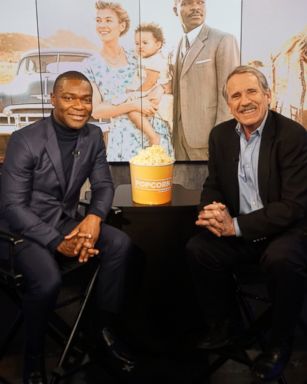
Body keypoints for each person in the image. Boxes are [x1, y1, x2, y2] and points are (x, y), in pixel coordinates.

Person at [0, 71, 136, 384]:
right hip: (22, 231)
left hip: (65, 222)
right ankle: (33, 361)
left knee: (120, 244)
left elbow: (103, 184)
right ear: (53, 100)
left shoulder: (92, 135)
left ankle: (101, 330)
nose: (79, 106)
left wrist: (93, 218)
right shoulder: (25, 139)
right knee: (47, 281)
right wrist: (57, 242)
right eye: (69, 98)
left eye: (85, 99)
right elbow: (13, 208)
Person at [186, 65, 307, 382]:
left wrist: (235, 226)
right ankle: (225, 324)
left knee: (283, 259)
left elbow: (293, 206)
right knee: (199, 249)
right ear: (229, 104)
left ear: (268, 95)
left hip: (284, 232)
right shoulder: (220, 136)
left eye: (252, 91)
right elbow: (213, 184)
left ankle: (279, 343)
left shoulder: (292, 136)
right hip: (239, 232)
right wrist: (211, 211)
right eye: (235, 95)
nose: (244, 101)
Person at [83, 1, 174, 161]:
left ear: (122, 26)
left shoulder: (138, 55)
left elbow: (169, 81)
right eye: (98, 20)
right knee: (124, 185)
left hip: (156, 132)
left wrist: (159, 89)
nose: (102, 25)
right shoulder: (90, 65)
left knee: (159, 184)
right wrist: (133, 105)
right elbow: (97, 111)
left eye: (108, 20)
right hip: (123, 140)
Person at [172, 0, 239, 160]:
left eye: (200, 2)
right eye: (188, 3)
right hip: (179, 142)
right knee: (182, 186)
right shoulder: (178, 44)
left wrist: (221, 140)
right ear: (175, 9)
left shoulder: (223, 40)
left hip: (209, 142)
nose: (196, 7)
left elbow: (230, 96)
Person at [127, 23, 173, 146]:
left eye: (145, 43)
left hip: (155, 93)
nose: (140, 46)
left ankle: (153, 136)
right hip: (151, 91)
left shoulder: (155, 60)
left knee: (133, 111)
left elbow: (150, 81)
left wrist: (135, 94)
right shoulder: (148, 58)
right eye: (137, 43)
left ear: (158, 44)